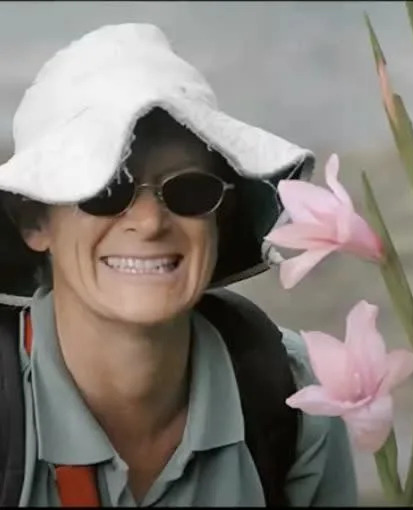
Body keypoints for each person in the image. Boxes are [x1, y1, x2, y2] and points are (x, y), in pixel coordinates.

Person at [0, 23, 357, 507]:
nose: (148, 222)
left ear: (218, 219)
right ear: (35, 222)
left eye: (189, 191)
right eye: (107, 191)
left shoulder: (292, 396)